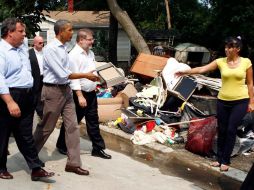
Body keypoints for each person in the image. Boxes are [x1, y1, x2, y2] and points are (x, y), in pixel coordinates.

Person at [176, 36, 254, 172]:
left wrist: (252, 102)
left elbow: (250, 84)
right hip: (223, 100)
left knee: (231, 130)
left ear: (238, 49)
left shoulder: (246, 62)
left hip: (240, 101)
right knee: (222, 130)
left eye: (230, 47)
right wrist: (185, 71)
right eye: (225, 47)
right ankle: (219, 159)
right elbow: (202, 69)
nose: (227, 49)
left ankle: (226, 160)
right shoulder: (220, 62)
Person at [33, 20, 100, 176]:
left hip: (66, 91)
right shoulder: (51, 49)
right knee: (47, 127)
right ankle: (31, 155)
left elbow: (69, 72)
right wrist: (85, 75)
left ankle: (73, 163)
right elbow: (63, 74)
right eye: (69, 30)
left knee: (72, 127)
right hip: (53, 91)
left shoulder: (65, 48)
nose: (72, 32)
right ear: (60, 32)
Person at [0, 17, 54, 181]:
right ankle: (1, 168)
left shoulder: (22, 46)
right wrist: (9, 102)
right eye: (21, 31)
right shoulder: (1, 51)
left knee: (25, 134)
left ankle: (36, 168)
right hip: (9, 96)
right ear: (10, 33)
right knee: (3, 134)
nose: (25, 34)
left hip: (27, 95)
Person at [56, 28, 112, 159]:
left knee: (93, 121)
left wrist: (100, 81)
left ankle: (97, 148)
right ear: (81, 40)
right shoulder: (73, 55)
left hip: (91, 93)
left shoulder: (90, 53)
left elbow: (92, 71)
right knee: (72, 122)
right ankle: (62, 145)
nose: (92, 41)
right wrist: (80, 96)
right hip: (78, 95)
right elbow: (73, 78)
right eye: (90, 39)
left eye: (92, 39)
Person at [29, 36, 44, 119]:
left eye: (43, 43)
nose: (42, 44)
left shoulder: (45, 53)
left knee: (41, 97)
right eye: (40, 43)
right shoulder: (29, 53)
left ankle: (41, 113)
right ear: (34, 43)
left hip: (43, 78)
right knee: (34, 97)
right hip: (33, 78)